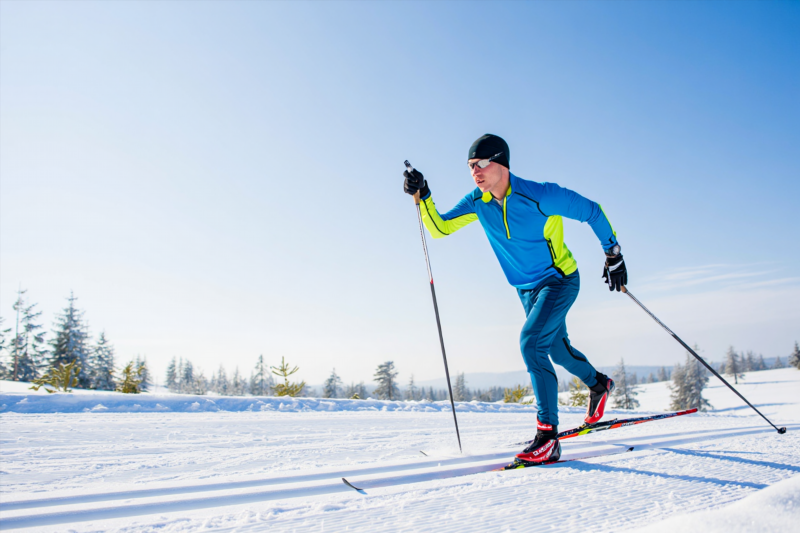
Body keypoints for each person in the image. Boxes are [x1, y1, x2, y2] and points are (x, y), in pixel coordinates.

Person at [403, 134, 627, 465]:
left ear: (501, 163)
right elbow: (440, 229)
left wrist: (613, 253)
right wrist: (424, 195)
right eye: (469, 167)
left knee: (531, 343)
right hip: (526, 289)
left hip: (559, 280)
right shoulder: (478, 202)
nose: (475, 172)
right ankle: (598, 384)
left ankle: (548, 437)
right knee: (556, 349)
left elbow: (591, 211)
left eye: (480, 164)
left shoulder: (539, 195)